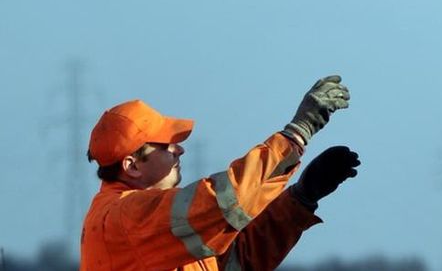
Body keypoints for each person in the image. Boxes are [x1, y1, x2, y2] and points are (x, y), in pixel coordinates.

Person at [81, 75, 361, 271]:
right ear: (132, 165)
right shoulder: (124, 217)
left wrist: (300, 200)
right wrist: (297, 134)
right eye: (166, 146)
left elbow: (239, 261)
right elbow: (222, 202)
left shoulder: (151, 228)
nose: (179, 151)